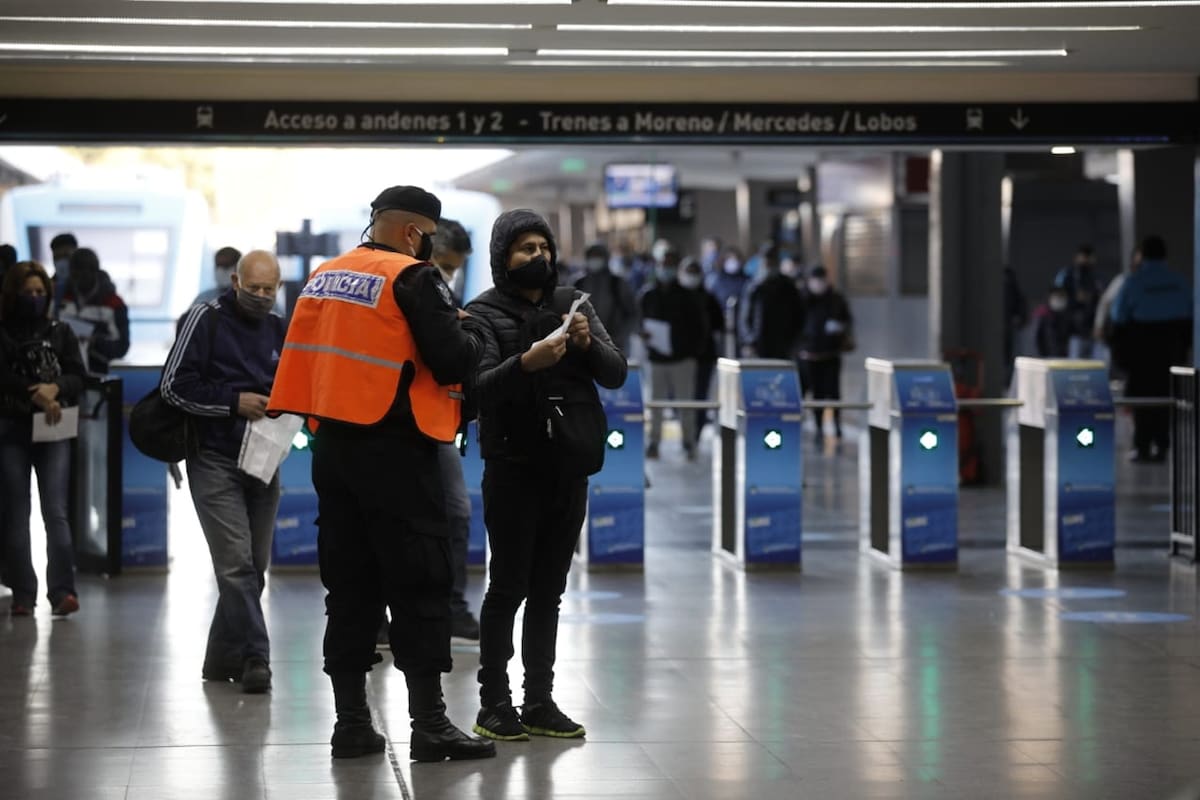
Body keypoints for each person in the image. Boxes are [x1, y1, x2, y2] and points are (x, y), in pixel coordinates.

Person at [267, 186, 494, 763]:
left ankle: (351, 724)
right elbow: (451, 359)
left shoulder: (325, 276)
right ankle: (431, 725)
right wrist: (470, 332)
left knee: (349, 587)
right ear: (417, 234)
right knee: (420, 581)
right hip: (398, 450)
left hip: (334, 448)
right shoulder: (412, 278)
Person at [466, 209, 626, 742]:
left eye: (543, 247)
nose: (538, 257)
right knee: (507, 586)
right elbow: (477, 390)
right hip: (513, 467)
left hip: (568, 467)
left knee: (549, 591)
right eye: (525, 248)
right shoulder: (480, 314)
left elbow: (616, 372)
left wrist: (585, 344)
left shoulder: (574, 303)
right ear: (502, 257)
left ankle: (539, 699)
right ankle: (494, 701)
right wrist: (528, 363)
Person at [160, 250, 287, 693]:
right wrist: (235, 402)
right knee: (234, 565)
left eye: (269, 290)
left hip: (264, 458)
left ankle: (219, 659)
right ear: (235, 281)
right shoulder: (205, 318)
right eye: (253, 288)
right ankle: (257, 658)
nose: (261, 296)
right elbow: (173, 386)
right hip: (213, 457)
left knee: (255, 564)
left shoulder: (278, 327)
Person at [0, 260, 86, 617]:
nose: (34, 298)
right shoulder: (3, 332)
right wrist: (32, 390)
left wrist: (54, 389)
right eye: (27, 292)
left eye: (40, 292)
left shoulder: (60, 331)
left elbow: (78, 376)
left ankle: (62, 590)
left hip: (54, 429)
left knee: (57, 512)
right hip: (11, 430)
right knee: (16, 514)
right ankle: (23, 592)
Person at [429, 217, 480, 641]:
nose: (450, 276)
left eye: (455, 268)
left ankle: (453, 606)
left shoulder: (451, 300)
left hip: (440, 422)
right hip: (393, 425)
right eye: (444, 266)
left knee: (457, 513)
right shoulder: (409, 290)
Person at [1111, 235, 1192, 462]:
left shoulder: (1133, 282)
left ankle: (1143, 446)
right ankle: (1163, 445)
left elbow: (1118, 316)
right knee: (1166, 396)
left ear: (1142, 255)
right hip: (1171, 347)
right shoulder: (1179, 282)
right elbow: (1190, 313)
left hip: (1141, 349)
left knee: (1142, 397)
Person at [640, 249, 712, 461]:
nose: (666, 269)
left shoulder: (688, 297)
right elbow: (640, 320)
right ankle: (654, 443)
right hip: (657, 359)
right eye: (663, 264)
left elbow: (701, 327)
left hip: (683, 359)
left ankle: (689, 442)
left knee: (686, 404)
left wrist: (692, 352)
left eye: (671, 264)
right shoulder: (648, 295)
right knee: (656, 406)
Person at [797, 265, 853, 443]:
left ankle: (836, 425)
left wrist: (839, 328)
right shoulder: (801, 299)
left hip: (831, 353)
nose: (819, 284)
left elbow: (847, 320)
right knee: (815, 393)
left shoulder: (836, 299)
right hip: (808, 354)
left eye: (822, 280)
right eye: (816, 280)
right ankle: (818, 426)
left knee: (834, 392)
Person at [58, 247, 130, 375]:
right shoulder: (62, 297)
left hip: (98, 373)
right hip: (65, 373)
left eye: (83, 274)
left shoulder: (114, 303)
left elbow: (122, 347)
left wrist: (94, 342)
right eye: (74, 274)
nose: (78, 279)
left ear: (94, 272)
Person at [682, 257, 725, 449]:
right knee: (684, 397)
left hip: (704, 356)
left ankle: (695, 436)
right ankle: (687, 435)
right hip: (681, 357)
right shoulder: (677, 297)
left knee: (699, 396)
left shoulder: (709, 298)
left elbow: (719, 325)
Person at [738, 245, 803, 360]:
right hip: (759, 344)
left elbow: (798, 315)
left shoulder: (788, 285)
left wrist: (794, 343)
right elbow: (745, 316)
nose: (768, 264)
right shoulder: (754, 286)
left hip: (783, 344)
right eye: (765, 261)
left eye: (771, 261)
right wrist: (749, 340)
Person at [574, 242, 637, 354]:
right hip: (585, 344)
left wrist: (621, 336)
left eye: (598, 256)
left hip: (615, 344)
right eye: (592, 256)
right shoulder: (579, 282)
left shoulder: (617, 283)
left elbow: (632, 313)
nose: (595, 259)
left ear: (606, 258)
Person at [1054, 245, 1103, 359]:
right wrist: (1074, 298)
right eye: (1085, 257)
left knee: (1094, 366)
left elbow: (1101, 298)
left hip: (1092, 328)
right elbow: (1056, 299)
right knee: (1075, 365)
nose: (1087, 261)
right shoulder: (1067, 274)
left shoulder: (1096, 277)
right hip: (1073, 330)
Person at [705, 247, 750, 352]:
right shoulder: (715, 280)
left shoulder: (747, 281)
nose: (733, 262)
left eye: (736, 259)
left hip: (741, 327)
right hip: (722, 326)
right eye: (730, 258)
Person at [1032, 285, 1073, 358]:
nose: (1060, 299)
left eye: (1062, 297)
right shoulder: (1042, 313)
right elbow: (1036, 338)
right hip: (1046, 357)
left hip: (1063, 357)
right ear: (1050, 297)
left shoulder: (1066, 315)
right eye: (1058, 297)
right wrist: (1040, 356)